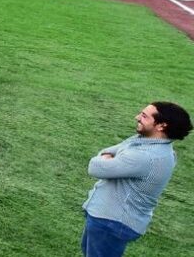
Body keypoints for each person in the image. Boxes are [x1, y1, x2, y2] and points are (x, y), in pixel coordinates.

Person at [81, 102, 190, 257]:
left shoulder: (146, 156)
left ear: (161, 126)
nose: (137, 117)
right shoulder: (145, 141)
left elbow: (95, 167)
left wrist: (107, 158)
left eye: (144, 116)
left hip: (112, 222)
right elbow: (107, 152)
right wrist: (108, 157)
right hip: (110, 218)